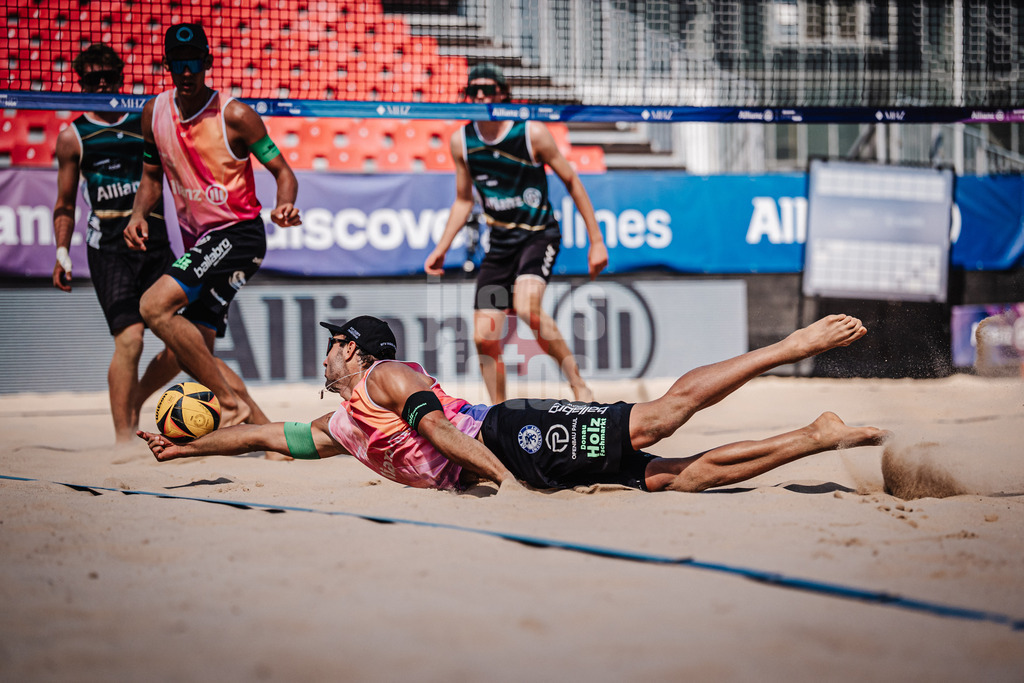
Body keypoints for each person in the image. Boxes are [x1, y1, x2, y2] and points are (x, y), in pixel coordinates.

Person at [137, 314, 890, 495]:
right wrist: (183, 447)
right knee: (670, 478)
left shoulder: (388, 377)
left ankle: (787, 345)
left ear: (356, 351)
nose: (326, 349)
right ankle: (817, 436)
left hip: (507, 435)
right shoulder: (340, 424)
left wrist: (503, 480)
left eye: (336, 340)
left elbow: (435, 427)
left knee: (656, 420)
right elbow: (263, 437)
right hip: (505, 467)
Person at [125, 23, 302, 427]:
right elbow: (152, 179)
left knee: (154, 306)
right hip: (201, 240)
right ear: (167, 64)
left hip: (239, 233)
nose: (186, 72)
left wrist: (285, 205)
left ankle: (229, 403)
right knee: (190, 349)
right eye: (178, 64)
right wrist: (138, 214)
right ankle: (269, 436)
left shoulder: (235, 115)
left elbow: (284, 173)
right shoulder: (154, 113)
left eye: (194, 63)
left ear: (207, 62)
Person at [424, 63, 609, 405]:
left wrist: (596, 241)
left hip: (538, 236)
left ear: (502, 94)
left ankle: (577, 384)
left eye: (488, 89)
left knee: (527, 307)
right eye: (474, 90)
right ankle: (499, 412)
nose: (480, 95)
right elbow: (464, 200)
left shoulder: (531, 133)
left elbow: (572, 181)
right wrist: (441, 248)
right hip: (500, 246)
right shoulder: (461, 142)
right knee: (483, 338)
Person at [53, 43, 181, 443]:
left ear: (121, 76)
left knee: (188, 338)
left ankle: (136, 397)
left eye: (109, 76)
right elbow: (64, 204)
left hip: (154, 240)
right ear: (82, 82)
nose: (103, 83)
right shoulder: (73, 136)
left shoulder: (145, 117)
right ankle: (123, 438)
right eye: (94, 78)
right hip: (108, 247)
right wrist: (61, 252)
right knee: (131, 339)